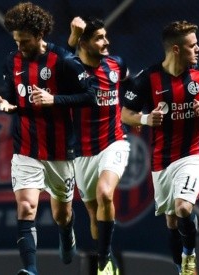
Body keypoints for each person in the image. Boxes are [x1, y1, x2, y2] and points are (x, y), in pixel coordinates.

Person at [120, 20, 199, 275]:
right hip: (161, 161)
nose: (198, 49)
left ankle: (190, 257)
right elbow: (126, 113)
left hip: (192, 154)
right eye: (193, 45)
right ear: (177, 50)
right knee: (171, 220)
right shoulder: (149, 78)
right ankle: (181, 268)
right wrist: (146, 119)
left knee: (183, 207)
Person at [0, 2, 96, 275]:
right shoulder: (12, 60)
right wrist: (7, 104)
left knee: (61, 215)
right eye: (16, 41)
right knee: (26, 206)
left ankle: (66, 232)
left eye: (25, 41)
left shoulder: (63, 60)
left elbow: (91, 96)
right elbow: (10, 93)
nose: (20, 47)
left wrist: (56, 100)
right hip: (26, 148)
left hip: (60, 151)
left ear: (39, 34)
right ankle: (30, 270)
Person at [67, 16, 130, 275]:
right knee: (94, 215)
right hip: (81, 152)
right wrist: (72, 38)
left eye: (106, 36)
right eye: (99, 38)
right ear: (84, 43)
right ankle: (107, 252)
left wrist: (137, 114)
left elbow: (132, 83)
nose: (106, 42)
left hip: (114, 142)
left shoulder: (116, 64)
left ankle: (104, 261)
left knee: (106, 193)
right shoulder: (71, 70)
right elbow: (59, 60)